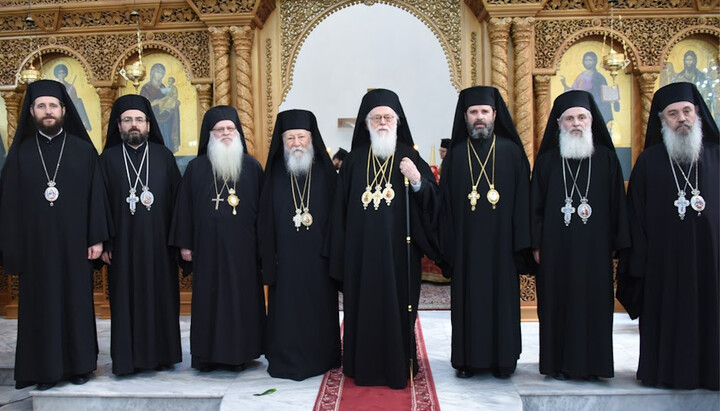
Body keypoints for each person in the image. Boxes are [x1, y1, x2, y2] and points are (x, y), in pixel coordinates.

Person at [0, 80, 110, 390]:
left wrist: (97, 238)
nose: (48, 112)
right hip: (36, 250)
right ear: (31, 111)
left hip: (75, 247)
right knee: (40, 306)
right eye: (41, 106)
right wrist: (13, 248)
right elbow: (9, 207)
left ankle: (80, 366)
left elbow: (96, 198)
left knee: (76, 302)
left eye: (53, 106)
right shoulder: (20, 154)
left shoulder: (83, 152)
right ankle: (43, 371)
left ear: (64, 110)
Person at [328, 89, 440, 389]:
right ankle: (359, 364)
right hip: (360, 256)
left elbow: (433, 202)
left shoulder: (409, 156)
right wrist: (340, 256)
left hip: (399, 256)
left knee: (397, 307)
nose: (382, 122)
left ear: (397, 121)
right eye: (376, 117)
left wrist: (417, 181)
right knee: (361, 309)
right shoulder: (353, 162)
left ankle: (398, 364)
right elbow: (339, 215)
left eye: (388, 117)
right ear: (366, 124)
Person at [618, 82, 719, 391]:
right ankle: (665, 372)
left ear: (697, 114)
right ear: (662, 121)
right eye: (672, 114)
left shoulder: (716, 157)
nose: (682, 119)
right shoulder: (648, 163)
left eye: (687, 111)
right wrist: (639, 264)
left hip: (712, 262)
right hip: (664, 266)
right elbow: (634, 218)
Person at [530, 90, 630, 380]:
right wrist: (536, 243)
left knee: (594, 305)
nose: (576, 123)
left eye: (582, 117)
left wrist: (617, 243)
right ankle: (556, 364)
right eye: (569, 118)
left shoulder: (607, 161)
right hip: (555, 250)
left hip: (596, 250)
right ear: (559, 124)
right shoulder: (548, 161)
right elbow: (534, 206)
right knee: (556, 304)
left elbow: (617, 207)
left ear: (591, 121)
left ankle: (595, 366)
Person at [438, 85, 531, 379]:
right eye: (473, 112)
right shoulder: (454, 156)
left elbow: (523, 203)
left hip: (502, 248)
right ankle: (467, 360)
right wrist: (450, 248)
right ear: (465, 116)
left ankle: (504, 360)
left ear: (494, 114)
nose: (480, 118)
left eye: (485, 112)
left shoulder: (512, 153)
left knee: (502, 303)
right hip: (466, 249)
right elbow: (445, 208)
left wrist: (521, 245)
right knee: (468, 303)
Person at [169, 105, 264, 371]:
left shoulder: (252, 167)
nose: (225, 133)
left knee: (241, 299)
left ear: (238, 132)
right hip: (206, 250)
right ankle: (207, 356)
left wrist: (262, 247)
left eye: (230, 128)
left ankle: (241, 353)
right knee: (209, 301)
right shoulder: (196, 168)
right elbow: (184, 209)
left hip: (243, 250)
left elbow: (264, 212)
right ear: (209, 134)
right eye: (219, 129)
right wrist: (185, 244)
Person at [98, 94, 182, 376]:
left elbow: (177, 203)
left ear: (148, 124)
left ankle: (163, 355)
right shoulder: (107, 159)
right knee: (125, 300)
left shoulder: (164, 157)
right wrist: (106, 241)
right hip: (123, 246)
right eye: (127, 120)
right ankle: (127, 359)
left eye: (139, 120)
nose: (133, 125)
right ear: (118, 125)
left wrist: (177, 241)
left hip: (159, 245)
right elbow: (100, 204)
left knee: (161, 296)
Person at [258, 109, 341, 380]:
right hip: (286, 260)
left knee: (319, 309)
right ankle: (285, 356)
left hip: (320, 258)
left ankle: (323, 357)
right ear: (282, 141)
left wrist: (332, 253)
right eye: (290, 137)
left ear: (311, 139)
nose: (296, 143)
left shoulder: (327, 175)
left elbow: (338, 218)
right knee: (286, 313)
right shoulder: (273, 175)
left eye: (301, 137)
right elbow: (265, 221)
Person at [561, 51, 619, 124]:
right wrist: (565, 85)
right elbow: (574, 91)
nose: (588, 62)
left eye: (590, 60)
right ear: (583, 62)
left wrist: (613, 97)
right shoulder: (580, 76)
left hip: (597, 106)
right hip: (583, 105)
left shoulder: (599, 77)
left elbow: (605, 93)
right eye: (586, 60)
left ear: (595, 62)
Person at [140, 63, 181, 153]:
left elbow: (168, 98)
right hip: (153, 121)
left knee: (166, 139)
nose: (160, 75)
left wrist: (174, 103)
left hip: (165, 118)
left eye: (162, 73)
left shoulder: (163, 87)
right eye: (158, 72)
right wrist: (155, 102)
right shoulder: (146, 88)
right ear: (152, 73)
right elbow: (142, 106)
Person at [53, 64, 92, 131]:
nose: (61, 75)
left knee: (79, 102)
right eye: (59, 73)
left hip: (69, 111)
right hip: (56, 110)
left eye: (63, 73)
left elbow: (74, 100)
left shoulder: (70, 87)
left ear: (65, 74)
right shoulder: (53, 86)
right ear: (57, 75)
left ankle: (84, 124)